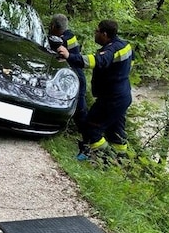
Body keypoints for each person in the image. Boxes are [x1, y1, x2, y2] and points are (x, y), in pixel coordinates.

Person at [57, 19, 134, 161]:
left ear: (104, 34)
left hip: (111, 99)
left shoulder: (111, 49)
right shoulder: (125, 45)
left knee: (91, 127)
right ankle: (121, 161)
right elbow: (131, 61)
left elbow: (97, 61)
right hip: (123, 96)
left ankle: (104, 160)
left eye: (97, 31)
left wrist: (69, 56)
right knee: (116, 131)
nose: (95, 33)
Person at [48, 14, 87, 129]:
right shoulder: (70, 35)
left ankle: (87, 134)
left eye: (51, 25)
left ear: (54, 26)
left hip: (74, 75)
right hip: (72, 74)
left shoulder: (62, 40)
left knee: (80, 108)